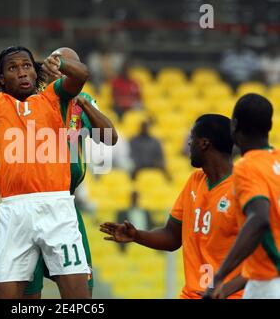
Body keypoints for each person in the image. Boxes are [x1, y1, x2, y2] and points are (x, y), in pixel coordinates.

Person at [0, 7, 91, 299]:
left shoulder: (54, 97)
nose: (22, 71)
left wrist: (60, 61)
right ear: (1, 79)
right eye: (13, 68)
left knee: (79, 297)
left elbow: (82, 75)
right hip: (13, 209)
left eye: (26, 65)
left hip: (56, 206)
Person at [0, 47, 118, 298]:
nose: (65, 71)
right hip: (31, 199)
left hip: (64, 206)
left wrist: (83, 104)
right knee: (29, 292)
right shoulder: (29, 99)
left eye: (71, 67)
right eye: (61, 64)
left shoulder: (79, 99)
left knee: (81, 288)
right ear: (46, 67)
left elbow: (109, 137)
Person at [100, 114, 246, 299]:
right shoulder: (195, 181)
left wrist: (224, 290)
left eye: (192, 138)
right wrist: (137, 235)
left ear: (204, 143)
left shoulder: (242, 188)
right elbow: (171, 237)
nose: (188, 144)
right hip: (191, 294)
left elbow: (263, 257)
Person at [205, 94, 280, 299]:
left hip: (269, 280)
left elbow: (259, 218)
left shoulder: (246, 167)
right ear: (270, 125)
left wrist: (220, 276)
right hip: (259, 281)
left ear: (235, 125)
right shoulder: (277, 159)